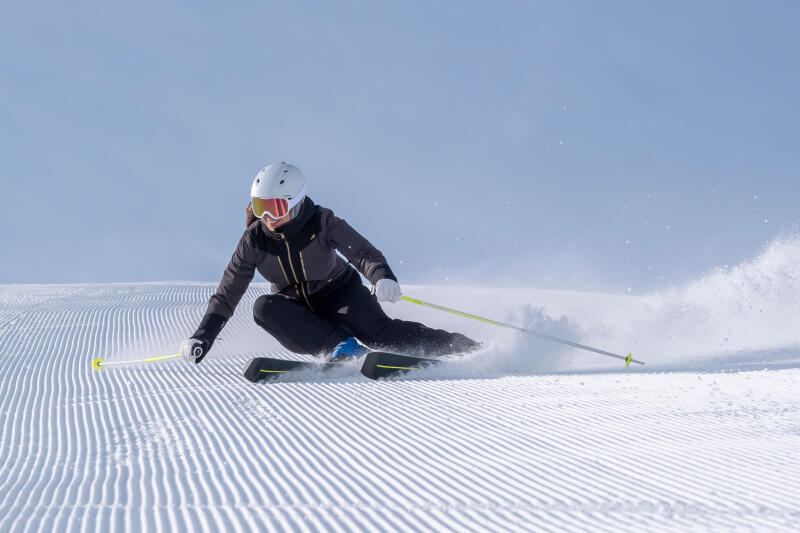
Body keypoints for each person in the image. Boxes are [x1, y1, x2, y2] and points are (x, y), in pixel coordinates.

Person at [180, 162, 477, 369]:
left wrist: (382, 276)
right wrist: (203, 336)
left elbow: (362, 252)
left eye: (276, 207)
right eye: (260, 207)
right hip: (299, 312)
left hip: (341, 295)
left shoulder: (322, 221)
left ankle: (458, 346)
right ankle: (342, 348)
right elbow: (228, 292)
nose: (267, 217)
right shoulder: (254, 241)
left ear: (294, 203)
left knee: (378, 333)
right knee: (263, 307)